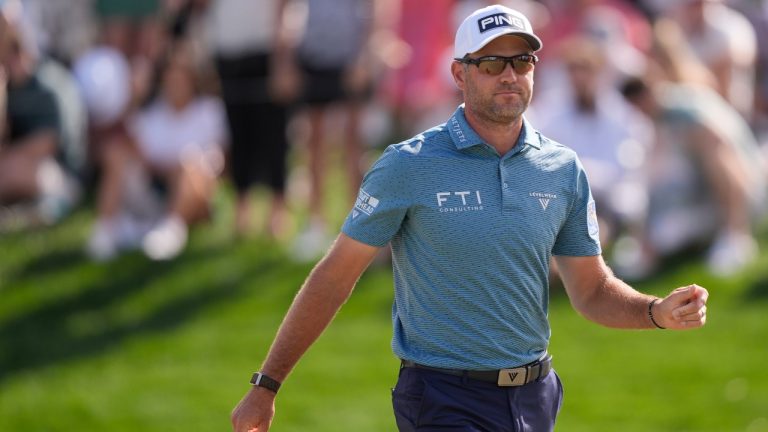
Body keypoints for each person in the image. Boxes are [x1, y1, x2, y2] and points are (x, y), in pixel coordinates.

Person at [231, 5, 709, 431]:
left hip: (536, 395)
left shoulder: (561, 168)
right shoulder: (407, 164)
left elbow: (590, 290)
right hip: (443, 398)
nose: (509, 75)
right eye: (491, 62)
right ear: (459, 74)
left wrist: (655, 312)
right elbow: (333, 278)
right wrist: (266, 384)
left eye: (522, 61)